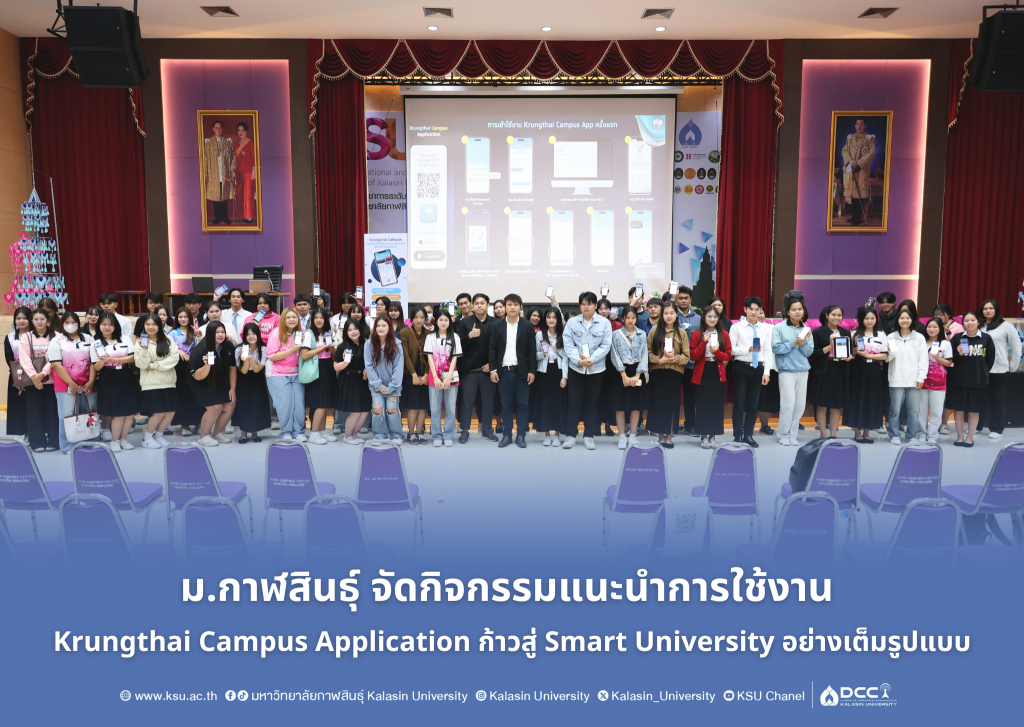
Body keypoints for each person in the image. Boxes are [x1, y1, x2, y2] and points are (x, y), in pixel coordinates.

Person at [562, 291, 613, 450]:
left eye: (589, 304)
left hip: (596, 369)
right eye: (583, 304)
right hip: (576, 368)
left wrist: (591, 359)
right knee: (574, 404)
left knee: (592, 404)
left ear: (595, 305)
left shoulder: (605, 323)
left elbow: (606, 345)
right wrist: (579, 360)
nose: (586, 307)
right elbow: (568, 344)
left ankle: (589, 436)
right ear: (580, 306)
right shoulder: (572, 323)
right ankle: (570, 436)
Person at [488, 294, 537, 449]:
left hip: (522, 372)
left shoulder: (527, 325)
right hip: (504, 372)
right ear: (505, 307)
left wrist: (532, 371)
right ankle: (507, 435)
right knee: (506, 405)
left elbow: (532, 351)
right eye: (509, 304)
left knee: (523, 405)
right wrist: (493, 369)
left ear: (520, 307)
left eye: (515, 304)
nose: (512, 307)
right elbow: (492, 349)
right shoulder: (497, 325)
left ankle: (521, 435)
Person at [48, 311, 98, 454]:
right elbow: (56, 364)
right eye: (67, 322)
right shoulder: (56, 341)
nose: (70, 325)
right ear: (62, 324)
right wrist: (71, 383)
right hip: (66, 386)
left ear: (78, 323)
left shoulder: (89, 338)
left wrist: (91, 381)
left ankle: (90, 442)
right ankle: (68, 446)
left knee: (89, 413)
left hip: (88, 384)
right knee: (67, 416)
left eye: (73, 322)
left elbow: (94, 361)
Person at [90, 311, 140, 452]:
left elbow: (132, 357)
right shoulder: (96, 343)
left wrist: (114, 359)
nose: (107, 327)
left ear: (115, 326)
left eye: (110, 325)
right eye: (104, 324)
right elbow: (96, 367)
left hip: (125, 375)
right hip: (108, 377)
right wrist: (102, 360)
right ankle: (115, 441)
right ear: (99, 326)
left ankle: (124, 439)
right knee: (117, 412)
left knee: (129, 412)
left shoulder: (124, 339)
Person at [730, 297, 774, 447]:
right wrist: (747, 350)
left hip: (758, 368)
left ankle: (748, 435)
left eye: (757, 309)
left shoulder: (766, 328)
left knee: (753, 405)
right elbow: (731, 350)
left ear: (761, 310)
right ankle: (737, 435)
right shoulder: (736, 327)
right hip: (742, 367)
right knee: (739, 403)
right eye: (751, 309)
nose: (754, 312)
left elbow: (768, 351)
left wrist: (767, 372)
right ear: (745, 310)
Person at [771, 292, 814, 446]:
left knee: (800, 405)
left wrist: (803, 343)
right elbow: (776, 348)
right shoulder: (779, 327)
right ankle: (783, 434)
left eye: (800, 309)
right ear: (787, 312)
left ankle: (793, 434)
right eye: (794, 309)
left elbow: (809, 353)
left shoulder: (807, 329)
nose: (797, 312)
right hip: (786, 371)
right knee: (788, 404)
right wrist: (794, 343)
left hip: (803, 370)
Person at [947, 312, 995, 447]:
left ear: (978, 322)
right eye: (966, 320)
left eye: (972, 320)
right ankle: (960, 437)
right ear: (963, 323)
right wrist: (959, 354)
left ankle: (970, 437)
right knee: (959, 410)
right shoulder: (957, 338)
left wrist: (982, 372)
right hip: (959, 380)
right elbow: (951, 359)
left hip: (978, 380)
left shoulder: (986, 338)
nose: (970, 323)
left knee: (974, 410)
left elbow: (990, 359)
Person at [455, 293, 498, 444]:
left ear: (487, 305)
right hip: (469, 371)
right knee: (467, 402)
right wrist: (469, 336)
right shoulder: (465, 322)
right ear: (473, 305)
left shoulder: (496, 323)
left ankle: (487, 430)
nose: (479, 305)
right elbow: (457, 344)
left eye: (482, 303)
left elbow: (500, 347)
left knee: (488, 402)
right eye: (477, 303)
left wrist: (492, 365)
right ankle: (465, 430)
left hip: (488, 371)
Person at [647, 301, 689, 448]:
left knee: (672, 405)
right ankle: (660, 436)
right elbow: (648, 353)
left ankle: (669, 436)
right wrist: (660, 360)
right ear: (661, 315)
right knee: (658, 404)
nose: (669, 316)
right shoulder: (654, 332)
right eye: (666, 313)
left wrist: (674, 358)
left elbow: (687, 357)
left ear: (677, 314)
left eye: (672, 313)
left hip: (675, 374)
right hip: (658, 373)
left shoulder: (682, 333)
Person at [845, 306, 890, 443]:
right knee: (857, 399)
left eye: (872, 318)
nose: (869, 321)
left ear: (876, 319)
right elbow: (850, 354)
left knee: (872, 399)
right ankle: (857, 432)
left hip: (874, 369)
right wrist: (855, 349)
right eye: (866, 318)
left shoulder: (881, 335)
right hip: (858, 368)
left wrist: (869, 355)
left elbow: (885, 355)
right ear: (861, 319)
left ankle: (867, 432)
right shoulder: (854, 334)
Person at [133, 314, 178, 449]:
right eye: (147, 324)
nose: (150, 327)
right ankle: (147, 438)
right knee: (158, 413)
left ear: (159, 325)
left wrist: (154, 365)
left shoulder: (168, 339)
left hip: (169, 382)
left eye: (154, 324)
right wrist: (144, 349)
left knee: (170, 411)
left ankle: (159, 436)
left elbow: (174, 358)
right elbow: (141, 364)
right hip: (151, 384)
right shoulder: (140, 342)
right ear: (144, 326)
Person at [980, 298, 1022, 441]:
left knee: (996, 399)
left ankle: (997, 429)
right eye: (985, 308)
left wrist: (1013, 366)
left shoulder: (1006, 326)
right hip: (980, 369)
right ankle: (978, 426)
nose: (988, 311)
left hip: (999, 369)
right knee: (979, 399)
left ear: (996, 310)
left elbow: (1016, 346)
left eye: (991, 308)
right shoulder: (980, 326)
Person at [808, 305, 854, 439]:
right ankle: (823, 435)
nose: (836, 318)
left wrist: (850, 357)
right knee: (821, 404)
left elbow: (850, 351)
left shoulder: (846, 332)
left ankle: (833, 435)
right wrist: (829, 347)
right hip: (823, 370)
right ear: (827, 315)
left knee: (836, 405)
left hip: (840, 370)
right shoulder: (818, 332)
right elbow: (813, 353)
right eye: (833, 315)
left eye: (839, 315)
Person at [690, 305, 732, 449]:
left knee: (716, 406)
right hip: (702, 373)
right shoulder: (697, 334)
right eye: (709, 316)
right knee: (702, 406)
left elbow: (728, 355)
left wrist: (717, 352)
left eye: (715, 317)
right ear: (703, 317)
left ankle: (713, 436)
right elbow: (694, 356)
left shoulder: (724, 334)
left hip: (717, 372)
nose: (712, 319)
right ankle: (703, 437)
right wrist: (703, 342)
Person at [885, 308, 929, 444]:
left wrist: (921, 377)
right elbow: (886, 359)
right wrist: (890, 353)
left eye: (908, 318)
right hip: (896, 379)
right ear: (897, 320)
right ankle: (894, 435)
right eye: (902, 318)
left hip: (914, 380)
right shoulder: (891, 337)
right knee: (895, 410)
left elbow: (923, 359)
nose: (905, 320)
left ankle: (912, 436)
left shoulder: (919, 338)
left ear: (912, 320)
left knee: (914, 411)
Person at [189, 321, 236, 447]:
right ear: (210, 334)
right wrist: (207, 365)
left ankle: (216, 433)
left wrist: (232, 388)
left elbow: (232, 368)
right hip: (201, 382)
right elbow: (197, 376)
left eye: (222, 332)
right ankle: (203, 436)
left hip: (220, 381)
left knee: (230, 405)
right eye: (217, 332)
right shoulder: (200, 350)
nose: (220, 335)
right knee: (216, 407)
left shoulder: (228, 346)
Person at [20, 309, 60, 452]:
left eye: (42, 319)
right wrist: (35, 378)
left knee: (52, 411)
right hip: (32, 382)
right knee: (34, 412)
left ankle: (54, 442)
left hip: (53, 381)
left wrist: (42, 374)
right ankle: (37, 443)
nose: (39, 322)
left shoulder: (57, 336)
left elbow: (55, 357)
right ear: (32, 321)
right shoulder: (26, 337)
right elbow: (24, 359)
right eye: (36, 319)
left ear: (48, 320)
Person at [609, 306, 648, 449]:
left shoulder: (642, 334)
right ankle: (621, 436)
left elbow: (645, 355)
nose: (630, 320)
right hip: (621, 372)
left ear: (636, 318)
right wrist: (623, 375)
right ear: (623, 318)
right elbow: (614, 355)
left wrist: (638, 374)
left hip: (637, 370)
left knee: (636, 407)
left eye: (633, 317)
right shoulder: (616, 334)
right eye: (627, 317)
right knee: (620, 406)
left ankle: (632, 436)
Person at [266, 307, 306, 442]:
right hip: (277, 374)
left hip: (297, 373)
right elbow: (271, 356)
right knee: (285, 405)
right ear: (283, 319)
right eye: (288, 317)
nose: (291, 320)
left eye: (294, 317)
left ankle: (298, 432)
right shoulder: (276, 334)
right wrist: (293, 349)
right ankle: (286, 432)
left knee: (299, 403)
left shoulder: (302, 331)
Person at [532, 306, 569, 447]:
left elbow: (565, 358)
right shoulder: (539, 335)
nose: (551, 320)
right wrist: (543, 353)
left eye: (554, 317)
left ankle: (557, 436)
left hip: (558, 371)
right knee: (545, 403)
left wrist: (564, 377)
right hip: (544, 371)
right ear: (545, 319)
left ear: (558, 319)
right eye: (548, 317)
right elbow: (535, 355)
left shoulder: (563, 334)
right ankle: (547, 435)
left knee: (559, 403)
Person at [301, 308, 339, 445]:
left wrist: (330, 342)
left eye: (321, 318)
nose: (318, 320)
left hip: (328, 367)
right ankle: (314, 433)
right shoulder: (309, 334)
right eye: (316, 317)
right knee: (320, 402)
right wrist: (322, 348)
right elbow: (304, 354)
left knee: (327, 401)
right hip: (316, 368)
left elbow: (335, 354)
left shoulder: (329, 333)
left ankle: (322, 431)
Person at [365, 316, 405, 444]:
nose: (381, 328)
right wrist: (380, 386)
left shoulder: (397, 344)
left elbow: (398, 367)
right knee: (378, 409)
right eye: (378, 326)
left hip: (393, 385)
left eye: (384, 325)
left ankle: (396, 435)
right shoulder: (369, 344)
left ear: (389, 327)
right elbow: (369, 367)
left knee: (392, 408)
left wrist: (392, 386)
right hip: (376, 385)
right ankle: (379, 435)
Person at [425, 309, 462, 447]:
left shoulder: (455, 337)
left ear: (450, 321)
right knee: (435, 409)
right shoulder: (430, 337)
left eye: (446, 320)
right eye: (440, 320)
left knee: (451, 408)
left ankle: (448, 435)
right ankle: (436, 435)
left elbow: (455, 358)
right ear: (436, 321)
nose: (443, 322)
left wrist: (449, 376)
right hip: (434, 377)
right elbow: (429, 358)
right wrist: (435, 376)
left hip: (451, 377)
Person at [334, 319, 371, 445]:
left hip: (362, 380)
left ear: (360, 329)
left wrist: (367, 368)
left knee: (365, 410)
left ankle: (354, 434)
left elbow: (372, 360)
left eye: (355, 329)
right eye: (350, 330)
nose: (353, 332)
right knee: (356, 411)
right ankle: (347, 436)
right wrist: (346, 362)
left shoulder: (367, 344)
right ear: (346, 332)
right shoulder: (343, 346)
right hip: (348, 379)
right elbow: (336, 367)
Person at [233, 322, 271, 443]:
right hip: (243, 379)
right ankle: (243, 434)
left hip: (257, 378)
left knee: (257, 404)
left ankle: (255, 433)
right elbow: (243, 371)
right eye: (248, 334)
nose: (251, 336)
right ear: (244, 336)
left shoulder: (263, 349)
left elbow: (257, 369)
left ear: (258, 335)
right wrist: (246, 357)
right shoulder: (238, 350)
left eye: (254, 334)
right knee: (243, 405)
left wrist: (249, 358)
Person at [398, 306, 430, 444]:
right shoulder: (405, 332)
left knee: (423, 405)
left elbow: (430, 356)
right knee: (413, 405)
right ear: (411, 318)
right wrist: (413, 374)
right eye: (416, 317)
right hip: (409, 374)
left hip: (425, 373)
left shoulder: (429, 334)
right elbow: (405, 355)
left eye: (422, 317)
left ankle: (419, 432)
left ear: (425, 319)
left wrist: (427, 374)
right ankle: (410, 433)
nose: (419, 320)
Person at [921, 318, 954, 443]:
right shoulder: (921, 342)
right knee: (921, 410)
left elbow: (949, 363)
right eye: (929, 326)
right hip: (922, 380)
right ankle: (921, 433)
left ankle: (932, 435)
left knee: (936, 410)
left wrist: (937, 357)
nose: (931, 329)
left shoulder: (945, 344)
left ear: (940, 329)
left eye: (935, 327)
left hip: (939, 381)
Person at [675, 286, 702, 436]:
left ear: (690, 300)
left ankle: (690, 425)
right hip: (674, 363)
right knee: (673, 396)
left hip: (692, 365)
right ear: (676, 299)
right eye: (680, 298)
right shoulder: (671, 315)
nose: (683, 301)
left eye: (686, 298)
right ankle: (672, 425)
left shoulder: (698, 319)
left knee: (690, 397)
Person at [841, 118, 875, 226]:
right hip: (851, 168)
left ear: (865, 125)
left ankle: (858, 218)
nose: (858, 126)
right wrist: (850, 161)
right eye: (857, 124)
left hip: (861, 170)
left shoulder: (869, 138)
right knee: (852, 194)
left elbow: (870, 154)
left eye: (861, 124)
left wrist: (858, 163)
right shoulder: (851, 138)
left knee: (859, 194)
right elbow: (845, 150)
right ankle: (853, 216)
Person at [4, 307, 31, 439]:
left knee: (33, 406)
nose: (21, 321)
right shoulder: (10, 337)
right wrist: (19, 379)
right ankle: (25, 433)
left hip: (34, 376)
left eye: (25, 318)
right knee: (20, 405)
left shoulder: (35, 336)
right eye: (18, 318)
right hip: (17, 376)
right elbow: (9, 359)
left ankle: (37, 433)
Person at [203, 119, 236, 225]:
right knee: (216, 196)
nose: (218, 130)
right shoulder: (208, 143)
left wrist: (232, 168)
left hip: (225, 173)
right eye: (216, 128)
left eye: (220, 128)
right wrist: (206, 172)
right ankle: (217, 217)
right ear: (213, 129)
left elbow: (233, 156)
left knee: (224, 195)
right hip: (214, 173)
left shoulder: (227, 142)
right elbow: (205, 159)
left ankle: (225, 217)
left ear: (223, 129)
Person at [755, 307, 780, 436]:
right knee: (749, 398)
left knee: (765, 398)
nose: (758, 315)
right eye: (755, 312)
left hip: (769, 367)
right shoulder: (742, 327)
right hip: (751, 366)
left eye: (761, 312)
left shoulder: (771, 328)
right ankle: (745, 426)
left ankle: (764, 425)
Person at [234, 121, 256, 223]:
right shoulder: (235, 143)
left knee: (248, 194)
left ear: (246, 131)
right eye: (239, 130)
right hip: (238, 172)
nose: (240, 132)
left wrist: (254, 172)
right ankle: (243, 215)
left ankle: (249, 216)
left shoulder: (251, 143)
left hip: (248, 173)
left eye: (242, 130)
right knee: (239, 194)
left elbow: (254, 158)